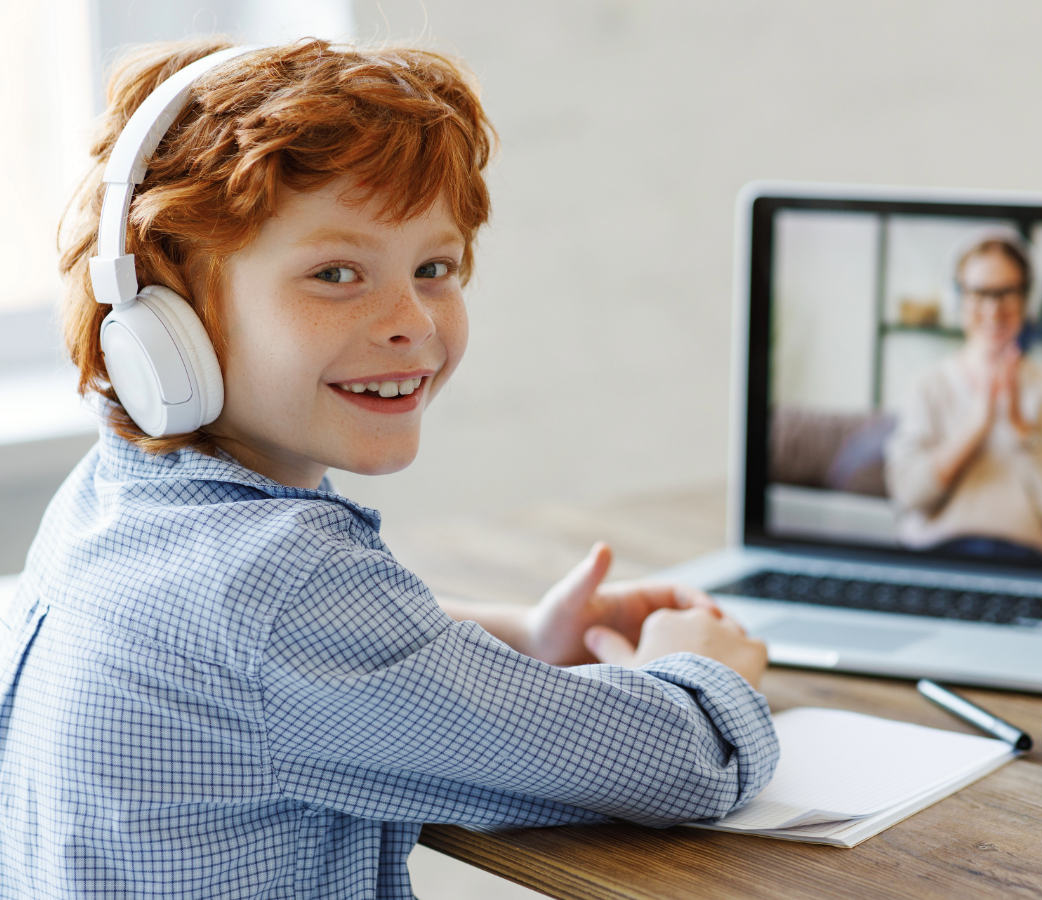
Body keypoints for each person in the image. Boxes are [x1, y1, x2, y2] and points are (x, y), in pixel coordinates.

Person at [0, 39, 776, 899]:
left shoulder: (109, 503)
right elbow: (682, 763)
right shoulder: (285, 583)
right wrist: (704, 670)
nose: (411, 320)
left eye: (434, 268)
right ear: (162, 312)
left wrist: (522, 637)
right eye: (336, 274)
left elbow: (271, 652)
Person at [885, 229, 1042, 561]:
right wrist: (976, 425)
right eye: (979, 293)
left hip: (1029, 561)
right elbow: (909, 496)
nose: (994, 311)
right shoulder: (926, 386)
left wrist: (1022, 429)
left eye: (1007, 293)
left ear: (1026, 299)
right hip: (937, 555)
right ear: (958, 297)